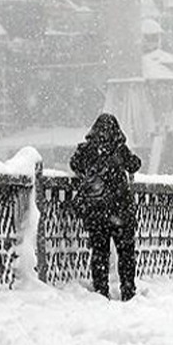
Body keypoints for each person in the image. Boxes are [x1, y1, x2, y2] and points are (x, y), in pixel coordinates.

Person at [69, 113, 142, 301]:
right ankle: (128, 290)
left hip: (97, 212)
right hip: (121, 211)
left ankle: (101, 291)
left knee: (99, 254)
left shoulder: (87, 150)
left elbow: (74, 164)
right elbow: (135, 165)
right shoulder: (119, 150)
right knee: (126, 254)